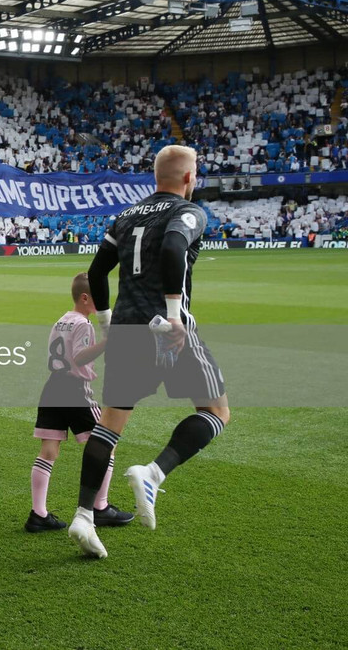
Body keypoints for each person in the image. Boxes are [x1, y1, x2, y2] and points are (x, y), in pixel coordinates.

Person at [69, 144, 228, 559]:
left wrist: (106, 324)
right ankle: (153, 473)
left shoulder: (124, 216)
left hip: (125, 330)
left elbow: (97, 270)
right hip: (167, 331)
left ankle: (84, 516)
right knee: (215, 411)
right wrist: (175, 314)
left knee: (109, 426)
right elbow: (174, 248)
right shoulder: (187, 212)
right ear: (189, 178)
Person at [25, 272, 133, 532]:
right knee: (106, 443)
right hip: (74, 390)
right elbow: (81, 357)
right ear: (85, 298)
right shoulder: (83, 324)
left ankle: (38, 514)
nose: (103, 304)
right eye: (99, 298)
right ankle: (100, 507)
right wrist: (109, 342)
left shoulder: (63, 319)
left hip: (52, 387)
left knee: (48, 451)